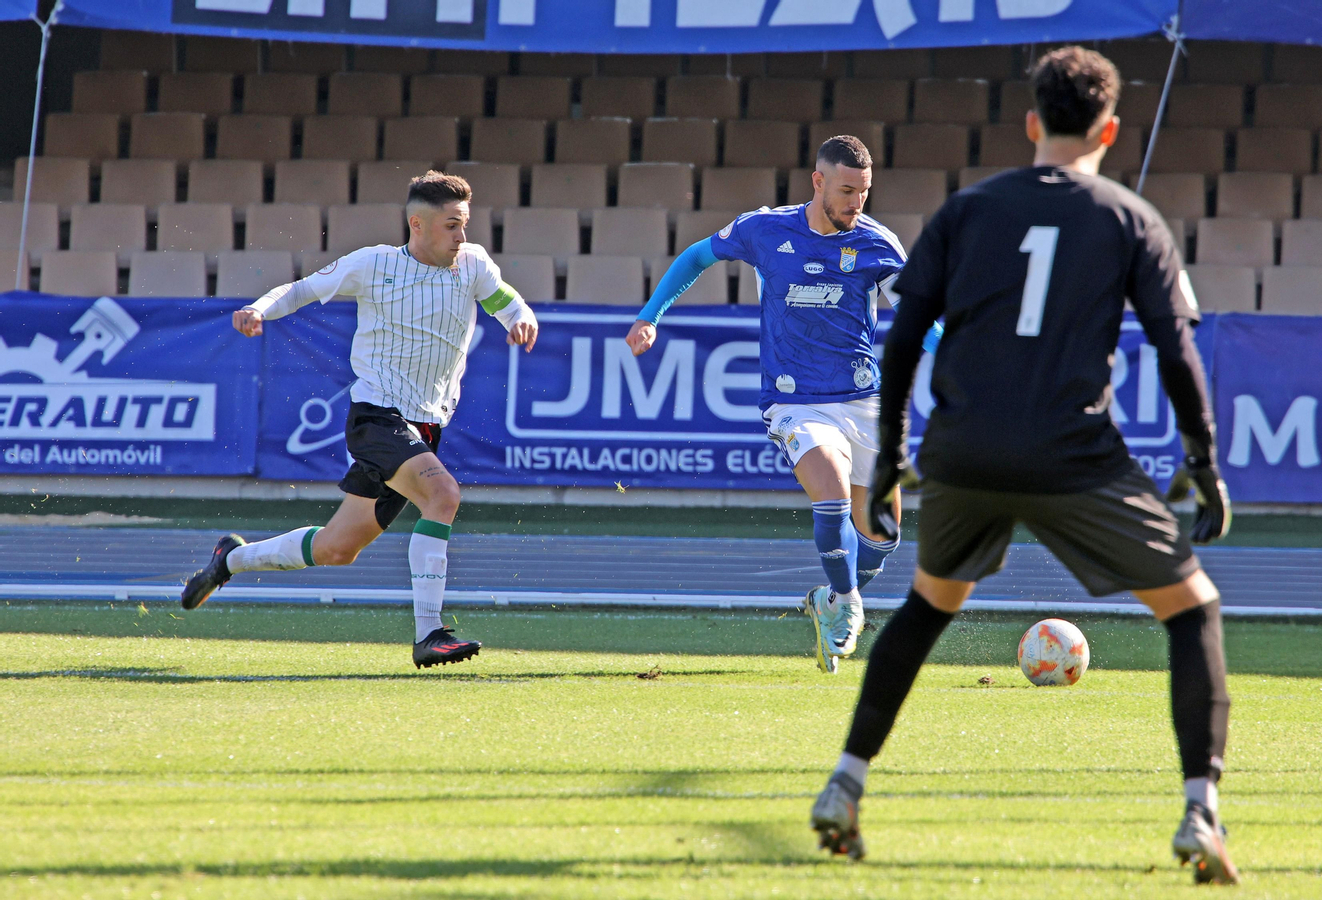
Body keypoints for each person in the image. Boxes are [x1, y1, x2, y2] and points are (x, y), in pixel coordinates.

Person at [808, 47, 1240, 884]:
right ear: (1110, 130)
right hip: (1073, 453)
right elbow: (1177, 351)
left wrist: (892, 456)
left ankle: (845, 782)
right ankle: (1201, 809)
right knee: (1193, 611)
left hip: (964, 449)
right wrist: (1204, 460)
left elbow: (901, 339)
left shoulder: (967, 211)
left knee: (929, 607)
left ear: (1032, 124)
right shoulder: (1128, 217)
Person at [178, 171, 540, 670]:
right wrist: (258, 308)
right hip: (377, 417)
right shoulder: (374, 265)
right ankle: (429, 633)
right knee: (444, 495)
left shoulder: (473, 264)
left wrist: (523, 319)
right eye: (452, 226)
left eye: (464, 225)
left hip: (425, 426)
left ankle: (229, 560)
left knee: (336, 549)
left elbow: (508, 301)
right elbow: (302, 290)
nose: (462, 236)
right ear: (418, 224)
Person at [625, 136, 940, 673]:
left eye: (863, 192)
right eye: (846, 191)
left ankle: (830, 600)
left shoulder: (877, 244)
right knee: (831, 493)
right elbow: (697, 256)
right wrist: (651, 314)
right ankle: (848, 606)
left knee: (882, 538)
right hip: (796, 403)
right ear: (817, 182)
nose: (856, 203)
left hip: (864, 402)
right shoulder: (765, 230)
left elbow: (917, 320)